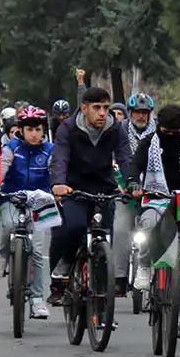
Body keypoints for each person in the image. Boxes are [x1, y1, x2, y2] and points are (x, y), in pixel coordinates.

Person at [48, 87, 136, 299]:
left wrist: (133, 182)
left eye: (106, 108)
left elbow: (125, 156)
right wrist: (59, 183)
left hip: (104, 188)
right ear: (84, 108)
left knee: (103, 238)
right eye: (97, 108)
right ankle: (67, 262)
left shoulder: (115, 128)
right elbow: (60, 158)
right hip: (74, 188)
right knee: (76, 227)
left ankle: (103, 305)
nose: (103, 113)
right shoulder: (68, 128)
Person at [128, 104, 180, 337]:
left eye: (174, 133)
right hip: (154, 199)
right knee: (146, 227)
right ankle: (145, 266)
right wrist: (133, 184)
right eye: (165, 131)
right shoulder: (148, 143)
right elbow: (134, 165)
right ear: (158, 126)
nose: (169, 136)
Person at [0, 106, 53, 319]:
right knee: (10, 225)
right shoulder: (12, 148)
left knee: (38, 252)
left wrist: (61, 187)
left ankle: (38, 299)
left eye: (38, 129)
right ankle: (2, 255)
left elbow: (58, 172)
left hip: (40, 201)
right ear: (20, 130)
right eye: (28, 129)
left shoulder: (50, 150)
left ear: (44, 130)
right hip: (12, 197)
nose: (33, 133)